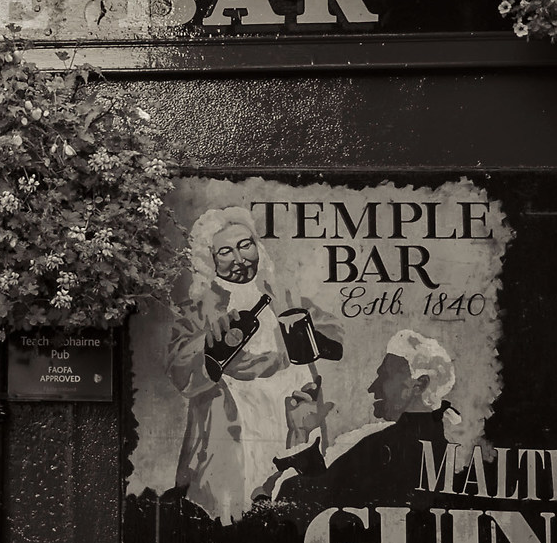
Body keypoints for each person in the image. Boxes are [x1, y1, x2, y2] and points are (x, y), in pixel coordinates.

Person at [165, 204, 344, 522]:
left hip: (289, 419)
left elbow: (330, 331)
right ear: (210, 260)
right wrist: (211, 355)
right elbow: (181, 372)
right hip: (235, 428)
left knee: (293, 509)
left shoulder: (281, 295)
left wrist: (311, 339)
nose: (239, 259)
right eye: (225, 252)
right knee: (237, 514)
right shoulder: (198, 310)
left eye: (245, 245)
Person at [276, 329, 458, 504]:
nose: (373, 387)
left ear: (419, 385)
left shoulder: (384, 446)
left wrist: (299, 434)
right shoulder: (438, 446)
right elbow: (331, 490)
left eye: (385, 376)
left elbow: (311, 499)